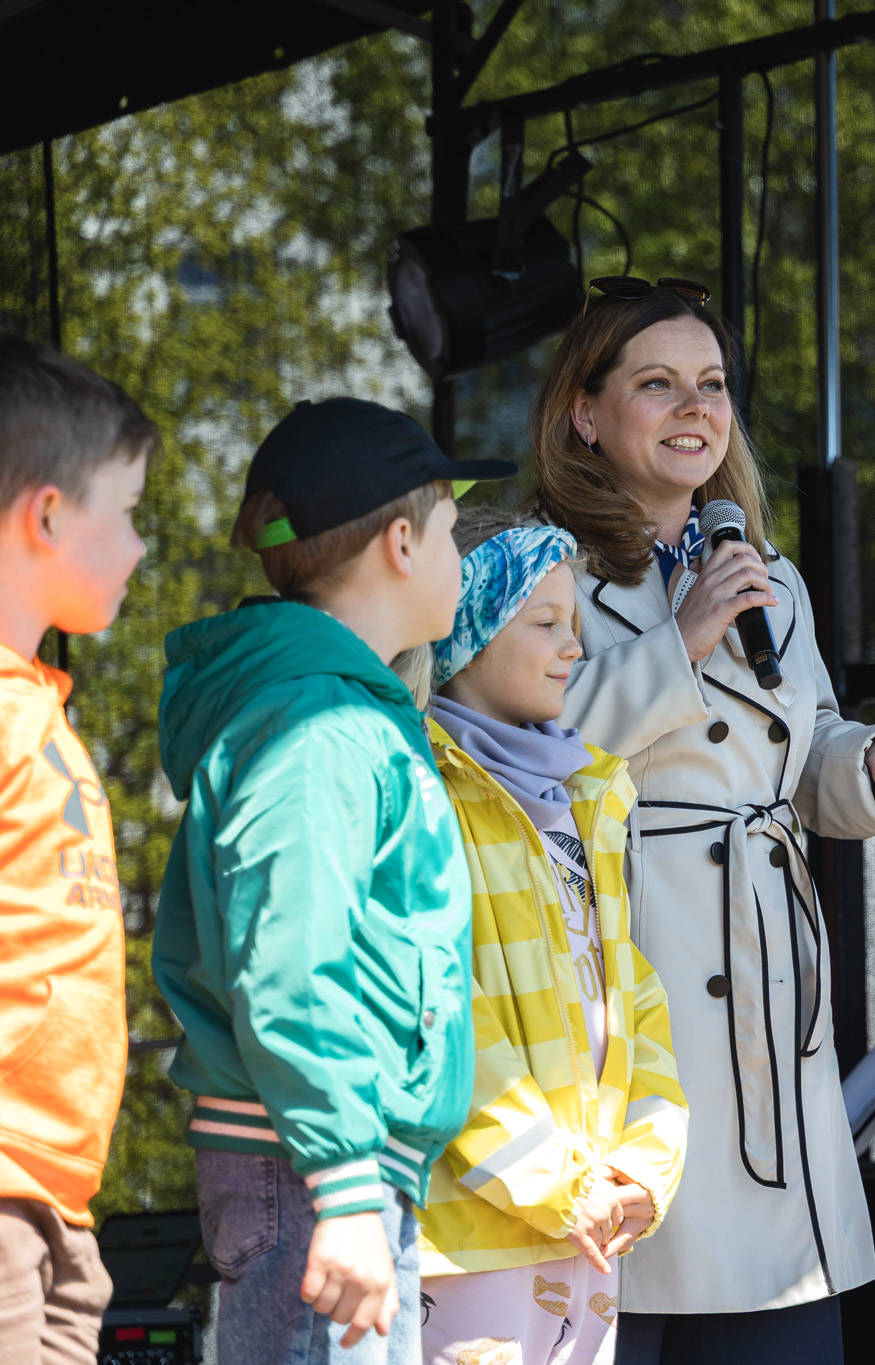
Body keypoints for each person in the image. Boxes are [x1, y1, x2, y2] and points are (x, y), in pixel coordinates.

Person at [525, 276, 875, 1363]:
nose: (696, 408)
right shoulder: (535, 567)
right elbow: (518, 760)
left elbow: (799, 747)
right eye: (658, 384)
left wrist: (874, 762)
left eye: (712, 385)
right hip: (631, 977)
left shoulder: (765, 573)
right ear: (585, 414)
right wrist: (675, 643)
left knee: (781, 1318)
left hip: (771, 991)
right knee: (641, 1284)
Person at [151, 398, 516, 1365]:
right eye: (450, 530)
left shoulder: (341, 707)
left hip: (327, 1157)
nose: (460, 556)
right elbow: (292, 959)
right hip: (312, 1164)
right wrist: (347, 1183)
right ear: (401, 542)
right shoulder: (316, 725)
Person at [415, 511, 689, 1365]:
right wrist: (564, 1184)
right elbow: (441, 1009)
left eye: (573, 624)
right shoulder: (423, 789)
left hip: (584, 1235)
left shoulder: (587, 795)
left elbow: (634, 997)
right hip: (469, 1246)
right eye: (544, 623)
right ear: (465, 631)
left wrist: (642, 1170)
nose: (573, 647)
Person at [0, 337, 154, 1364]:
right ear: (49, 515)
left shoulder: (38, 709)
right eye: (129, 510)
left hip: (60, 1200)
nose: (141, 545)